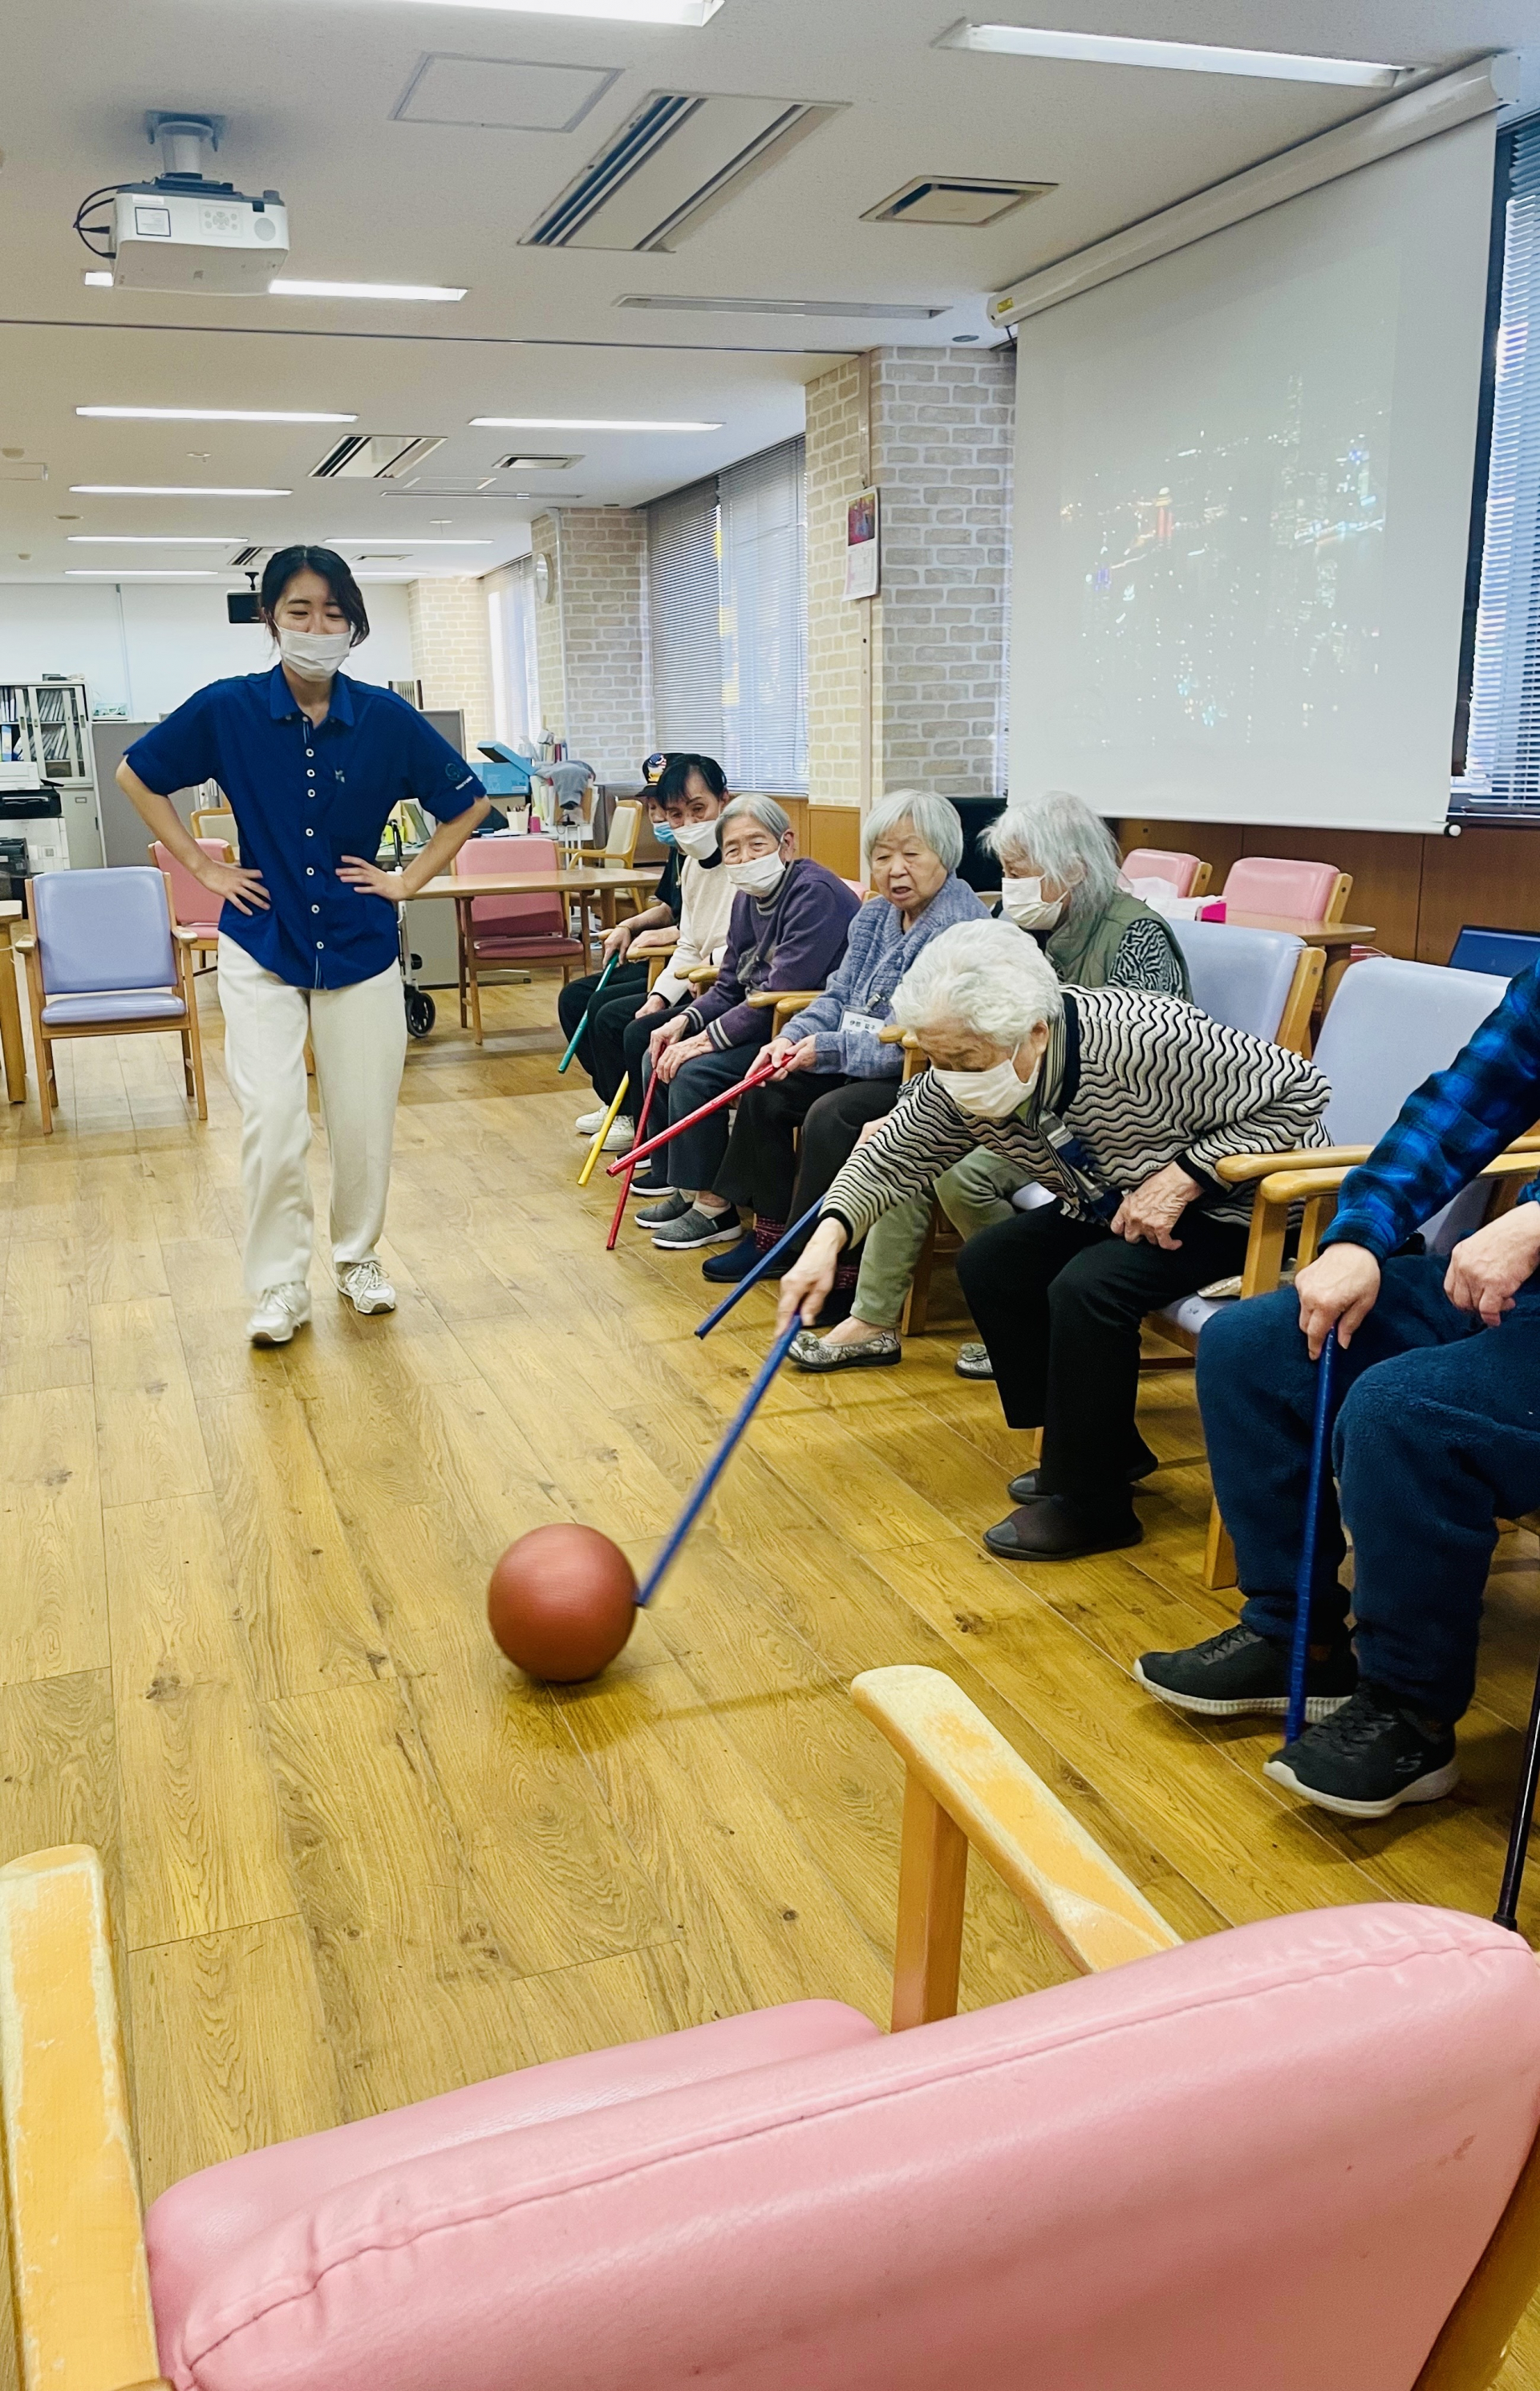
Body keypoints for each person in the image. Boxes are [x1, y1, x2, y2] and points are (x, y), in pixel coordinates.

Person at [776, 918, 1328, 1559]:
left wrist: (1184, 1177)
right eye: (940, 1061)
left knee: (1089, 1288)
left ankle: (1095, 1506)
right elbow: (896, 1151)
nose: (952, 1078)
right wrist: (826, 1241)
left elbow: (1302, 1091)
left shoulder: (1142, 1036)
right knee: (994, 1263)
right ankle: (1100, 1452)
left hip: (1245, 1209)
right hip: (1114, 1203)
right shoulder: (968, 1071)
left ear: (1035, 1033)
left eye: (966, 1062)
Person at [1135, 962, 1540, 1820]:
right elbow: (1456, 1109)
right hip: (1518, 1288)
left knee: (1408, 1411)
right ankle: (1299, 1636)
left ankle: (1411, 1711)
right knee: (1253, 1346)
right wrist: (1360, 1234)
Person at [116, 544, 489, 1345]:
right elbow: (136, 775)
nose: (317, 627)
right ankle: (280, 1284)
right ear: (270, 618)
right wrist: (201, 867)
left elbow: (467, 802)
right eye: (300, 611)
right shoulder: (229, 708)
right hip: (262, 937)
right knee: (273, 1121)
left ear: (353, 625)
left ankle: (357, 1258)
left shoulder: (385, 718)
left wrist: (408, 880)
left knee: (363, 1120)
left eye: (334, 613)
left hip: (361, 942)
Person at [795, 790, 1190, 1374]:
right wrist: (908, 1111)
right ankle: (873, 1319)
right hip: (1015, 1102)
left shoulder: (1136, 935)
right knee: (910, 1150)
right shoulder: (1015, 923)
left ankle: (1025, 1318)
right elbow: (964, 1038)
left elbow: (1144, 1062)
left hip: (1093, 1125)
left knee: (960, 1173)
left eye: (1019, 872)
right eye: (1006, 872)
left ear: (1072, 870)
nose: (1009, 888)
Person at [699, 789, 983, 1291]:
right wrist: (791, 1038)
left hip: (919, 1074)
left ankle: (832, 1268)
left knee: (832, 1116)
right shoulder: (873, 916)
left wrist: (827, 1049)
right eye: (882, 856)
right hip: (851, 1055)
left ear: (946, 854)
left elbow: (912, 1037)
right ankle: (771, 1235)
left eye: (911, 854)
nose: (895, 870)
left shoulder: (962, 926)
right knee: (766, 1087)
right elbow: (837, 996)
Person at [637, 796, 861, 1251]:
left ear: (786, 843)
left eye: (756, 844)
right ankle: (688, 1188)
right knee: (656, 1051)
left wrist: (703, 1042)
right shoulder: (746, 898)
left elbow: (780, 991)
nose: (744, 858)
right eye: (733, 849)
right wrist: (685, 1022)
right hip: (761, 1016)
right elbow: (729, 984)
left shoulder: (813, 892)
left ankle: (715, 1209)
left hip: (795, 1025)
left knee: (694, 1072)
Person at [569, 755, 736, 1157]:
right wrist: (659, 997)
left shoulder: (743, 862)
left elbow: (746, 946)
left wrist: (703, 971)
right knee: (624, 1016)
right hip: (698, 981)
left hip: (728, 988)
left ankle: (656, 1145)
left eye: (698, 810)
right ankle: (643, 1132)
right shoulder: (692, 863)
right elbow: (690, 942)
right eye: (675, 814)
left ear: (724, 802)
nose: (687, 823)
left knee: (632, 1029)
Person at [560, 758, 685, 1149]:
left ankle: (631, 1113)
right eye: (654, 808)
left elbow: (712, 929)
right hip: (667, 955)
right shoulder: (679, 852)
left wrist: (668, 935)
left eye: (666, 807)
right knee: (574, 998)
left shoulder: (712, 851)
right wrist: (630, 926)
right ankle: (613, 1100)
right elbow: (669, 907)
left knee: (607, 1010)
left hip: (683, 964)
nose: (659, 817)